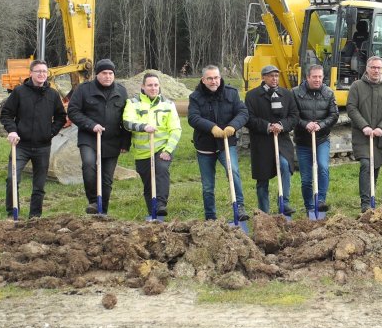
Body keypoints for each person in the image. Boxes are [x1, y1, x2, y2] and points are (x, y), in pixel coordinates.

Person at [0, 60, 67, 218]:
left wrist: (50, 132)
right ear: (31, 73)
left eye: (44, 71)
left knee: (39, 185)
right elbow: (6, 114)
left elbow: (61, 116)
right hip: (21, 145)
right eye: (38, 71)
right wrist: (12, 131)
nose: (42, 74)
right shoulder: (19, 92)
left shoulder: (52, 94)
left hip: (42, 147)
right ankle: (12, 213)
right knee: (12, 179)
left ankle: (35, 217)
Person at [67, 58, 130, 214]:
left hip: (112, 140)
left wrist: (125, 142)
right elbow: (73, 111)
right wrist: (91, 125)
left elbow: (127, 118)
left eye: (110, 73)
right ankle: (94, 201)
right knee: (89, 165)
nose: (107, 76)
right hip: (89, 138)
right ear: (97, 74)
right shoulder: (84, 89)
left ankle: (103, 212)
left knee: (107, 178)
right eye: (104, 73)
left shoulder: (121, 91)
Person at [188, 65, 249, 221]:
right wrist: (211, 128)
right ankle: (210, 217)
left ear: (220, 78)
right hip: (205, 146)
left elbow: (243, 112)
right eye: (209, 78)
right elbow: (193, 118)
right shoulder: (195, 97)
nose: (213, 81)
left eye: (216, 78)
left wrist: (232, 126)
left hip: (226, 144)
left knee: (233, 172)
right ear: (203, 80)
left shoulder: (231, 93)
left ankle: (239, 207)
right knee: (208, 185)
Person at [123, 72, 182, 217]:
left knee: (160, 168)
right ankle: (153, 215)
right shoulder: (133, 103)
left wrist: (168, 150)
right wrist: (143, 127)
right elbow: (127, 122)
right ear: (143, 87)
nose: (153, 88)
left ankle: (161, 205)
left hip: (163, 148)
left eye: (156, 85)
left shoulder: (168, 105)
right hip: (143, 152)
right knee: (149, 183)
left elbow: (175, 129)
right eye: (150, 85)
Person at [245, 65, 299, 215]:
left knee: (285, 166)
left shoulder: (286, 95)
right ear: (263, 77)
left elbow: (294, 116)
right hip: (261, 143)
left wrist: (282, 125)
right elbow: (249, 119)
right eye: (270, 76)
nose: (274, 79)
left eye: (276, 76)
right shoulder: (252, 96)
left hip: (281, 141)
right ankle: (264, 211)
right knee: (263, 178)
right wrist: (268, 126)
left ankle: (284, 203)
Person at [347, 56, 382, 212]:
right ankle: (365, 204)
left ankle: (371, 196)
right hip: (362, 136)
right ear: (367, 69)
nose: (376, 70)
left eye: (379, 68)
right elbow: (351, 108)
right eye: (373, 67)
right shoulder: (357, 86)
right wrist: (365, 126)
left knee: (375, 167)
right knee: (366, 165)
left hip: (380, 137)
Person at [293, 65, 339, 214]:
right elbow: (293, 115)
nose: (318, 80)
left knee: (323, 167)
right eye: (315, 77)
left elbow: (334, 115)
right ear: (307, 77)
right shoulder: (295, 93)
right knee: (306, 178)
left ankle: (320, 201)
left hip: (321, 139)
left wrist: (321, 125)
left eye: (320, 77)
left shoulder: (328, 93)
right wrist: (306, 124)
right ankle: (309, 206)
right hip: (303, 141)